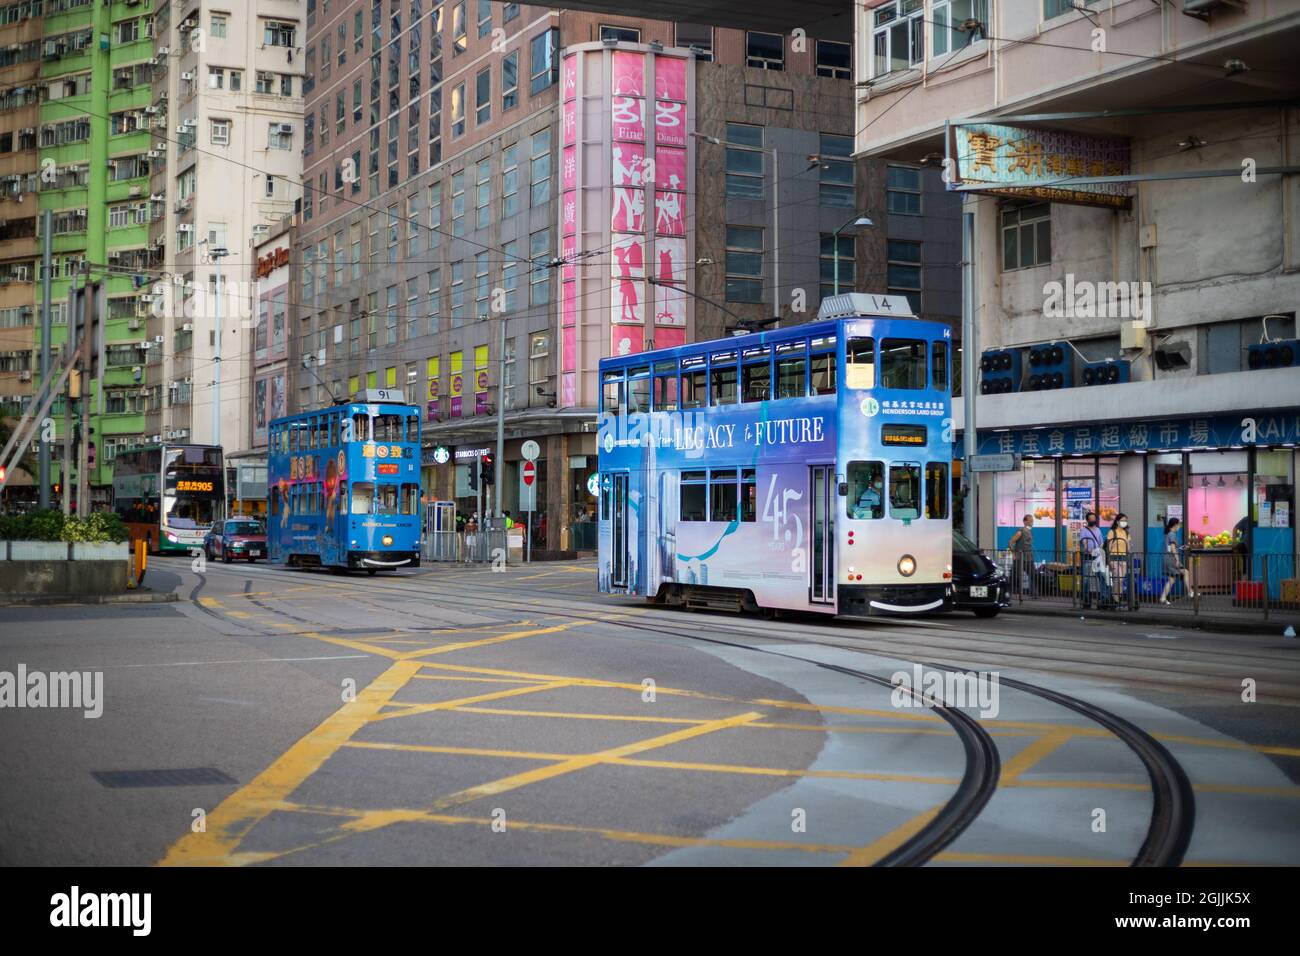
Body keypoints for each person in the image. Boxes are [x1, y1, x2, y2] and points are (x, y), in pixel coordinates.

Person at [1078, 511, 1110, 609]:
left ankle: (1104, 598)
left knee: (1103, 577)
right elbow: (1084, 543)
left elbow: (1100, 542)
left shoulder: (1098, 530)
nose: (1093, 520)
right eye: (1091, 518)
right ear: (1087, 520)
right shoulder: (1084, 531)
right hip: (1088, 557)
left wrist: (1101, 550)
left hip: (1097, 557)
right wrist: (1089, 549)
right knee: (1086, 579)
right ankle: (1086, 599)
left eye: (1094, 518)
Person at [1160, 516, 1195, 604]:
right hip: (1171, 559)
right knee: (1185, 572)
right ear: (1175, 525)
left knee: (1172, 579)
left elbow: (1172, 547)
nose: (1179, 526)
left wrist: (1181, 547)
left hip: (1167, 559)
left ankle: (1163, 598)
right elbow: (1172, 547)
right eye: (1178, 524)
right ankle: (1190, 592)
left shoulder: (1168, 533)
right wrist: (1177, 558)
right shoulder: (1172, 534)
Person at [1008, 514, 1036, 598]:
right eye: (1030, 520)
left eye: (1032, 520)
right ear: (1025, 521)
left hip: (1029, 557)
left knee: (1033, 575)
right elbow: (1010, 542)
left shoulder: (1029, 531)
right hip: (1020, 558)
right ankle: (1009, 593)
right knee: (1014, 576)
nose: (1031, 522)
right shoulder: (1020, 531)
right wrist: (1013, 553)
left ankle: (1033, 593)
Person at [1106, 513, 1132, 607]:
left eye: (1125, 520)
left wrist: (1129, 546)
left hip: (1123, 558)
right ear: (1117, 522)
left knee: (1121, 580)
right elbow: (1108, 547)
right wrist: (1109, 560)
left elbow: (1128, 547)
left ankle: (1117, 598)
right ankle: (1115, 599)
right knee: (1118, 578)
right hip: (1114, 558)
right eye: (1122, 520)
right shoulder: (1112, 532)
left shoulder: (1126, 533)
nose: (1124, 522)